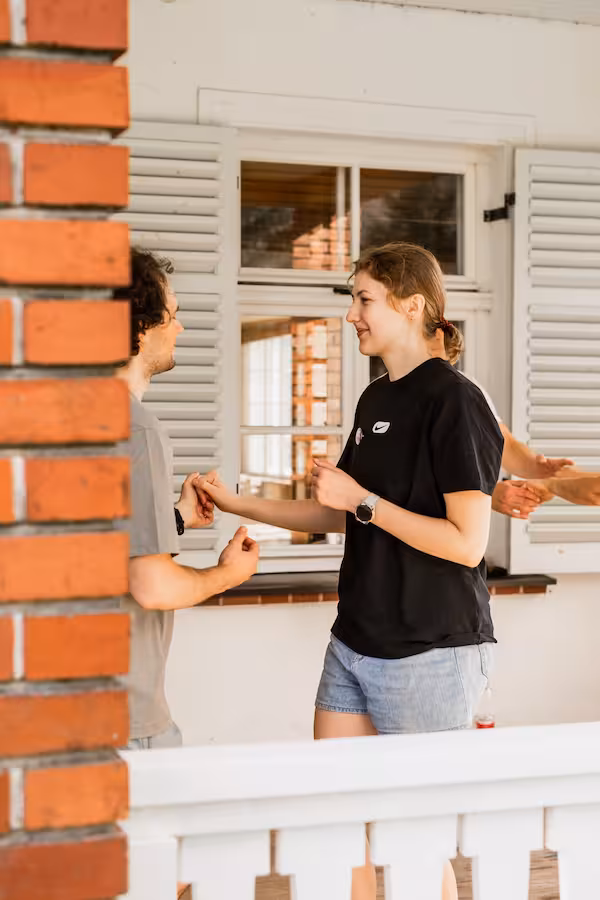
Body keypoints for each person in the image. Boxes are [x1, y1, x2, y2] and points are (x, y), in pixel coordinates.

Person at [198, 242, 504, 899]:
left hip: (430, 650)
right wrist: (234, 503)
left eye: (364, 299)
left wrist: (363, 500)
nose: (351, 315)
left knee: (415, 842)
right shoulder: (374, 399)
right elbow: (336, 511)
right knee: (336, 822)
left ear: (412, 305)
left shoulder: (456, 401)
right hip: (355, 641)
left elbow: (466, 544)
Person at [115, 248, 259, 749]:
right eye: (172, 315)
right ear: (139, 327)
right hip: (126, 719)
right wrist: (228, 575)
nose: (180, 328)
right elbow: (152, 586)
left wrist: (174, 518)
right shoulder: (137, 430)